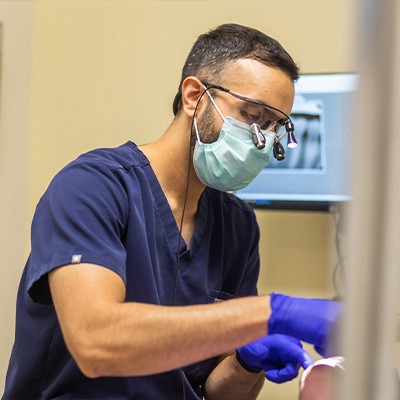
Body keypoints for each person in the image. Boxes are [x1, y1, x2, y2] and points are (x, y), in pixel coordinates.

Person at [3, 23, 342, 400]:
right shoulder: (92, 186)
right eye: (252, 115)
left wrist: (246, 362)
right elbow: (96, 342)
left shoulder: (238, 225)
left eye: (275, 126)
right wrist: (270, 313)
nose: (263, 142)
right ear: (195, 95)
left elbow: (217, 392)